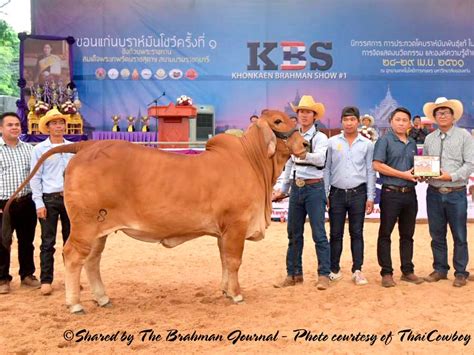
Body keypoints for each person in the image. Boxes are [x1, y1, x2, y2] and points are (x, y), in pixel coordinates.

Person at [273, 95, 331, 290]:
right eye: (301, 112)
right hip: (297, 189)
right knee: (293, 233)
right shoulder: (293, 135)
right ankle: (293, 274)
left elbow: (320, 159)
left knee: (319, 233)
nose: (304, 115)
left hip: (314, 187)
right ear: (297, 115)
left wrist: (302, 154)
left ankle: (324, 274)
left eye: (308, 112)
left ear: (314, 116)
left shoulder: (321, 137)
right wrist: (284, 189)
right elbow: (289, 163)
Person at [422, 97, 474, 287]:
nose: (442, 116)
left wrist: (450, 176)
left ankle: (460, 272)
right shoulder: (429, 138)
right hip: (433, 192)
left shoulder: (464, 136)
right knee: (436, 233)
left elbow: (470, 164)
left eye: (445, 113)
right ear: (434, 117)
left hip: (456, 192)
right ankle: (440, 269)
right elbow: (426, 163)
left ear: (453, 116)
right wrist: (424, 174)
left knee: (459, 234)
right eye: (438, 113)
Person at [324, 107, 376, 286]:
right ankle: (334, 269)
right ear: (341, 122)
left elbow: (370, 171)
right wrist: (326, 194)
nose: (349, 123)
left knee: (357, 233)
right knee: (335, 233)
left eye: (352, 119)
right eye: (345, 120)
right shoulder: (331, 143)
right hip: (336, 193)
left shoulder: (367, 144)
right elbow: (327, 169)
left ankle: (357, 270)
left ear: (358, 121)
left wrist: (370, 197)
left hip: (358, 193)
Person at [373, 107, 424, 287]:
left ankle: (407, 271)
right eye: (398, 120)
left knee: (407, 234)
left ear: (409, 124)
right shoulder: (384, 141)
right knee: (385, 233)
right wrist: (403, 175)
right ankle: (386, 272)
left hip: (410, 195)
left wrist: (422, 174)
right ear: (391, 122)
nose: (401, 123)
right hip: (390, 194)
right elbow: (377, 165)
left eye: (405, 120)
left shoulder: (411, 143)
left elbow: (413, 170)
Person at [30, 108, 73, 295]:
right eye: (54, 123)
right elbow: (35, 177)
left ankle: (70, 279)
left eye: (61, 123)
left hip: (70, 199)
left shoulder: (72, 148)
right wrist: (38, 203)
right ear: (47, 127)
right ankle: (46, 279)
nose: (58, 126)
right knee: (48, 241)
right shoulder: (39, 149)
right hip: (49, 199)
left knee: (71, 242)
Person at [0, 112, 40, 294]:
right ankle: (2, 279)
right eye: (10, 125)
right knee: (2, 241)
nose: (15, 127)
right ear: (1, 128)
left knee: (27, 241)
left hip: (26, 201)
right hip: (3, 204)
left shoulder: (29, 150)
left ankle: (27, 275)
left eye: (17, 124)